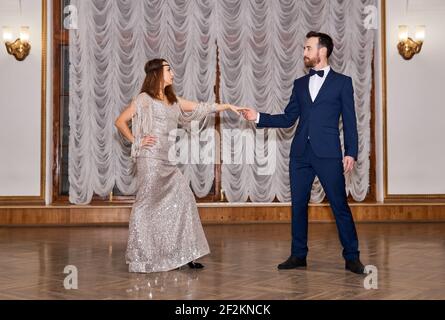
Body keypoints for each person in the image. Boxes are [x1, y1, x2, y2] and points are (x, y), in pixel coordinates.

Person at [242, 32, 365, 274]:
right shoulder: (299, 84)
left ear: (323, 51)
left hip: (329, 153)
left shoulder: (343, 82)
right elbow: (289, 118)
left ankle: (352, 257)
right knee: (298, 206)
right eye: (304, 48)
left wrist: (351, 152)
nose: (304, 52)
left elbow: (350, 121)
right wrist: (258, 117)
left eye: (308, 48)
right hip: (300, 154)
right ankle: (298, 255)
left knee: (339, 205)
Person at [115, 58, 243, 273]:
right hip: (150, 159)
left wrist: (228, 106)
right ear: (157, 73)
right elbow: (120, 121)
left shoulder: (173, 100)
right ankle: (141, 256)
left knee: (184, 198)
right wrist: (136, 140)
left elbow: (203, 107)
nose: (172, 73)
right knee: (146, 204)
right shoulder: (144, 99)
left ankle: (184, 253)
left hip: (167, 160)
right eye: (168, 69)